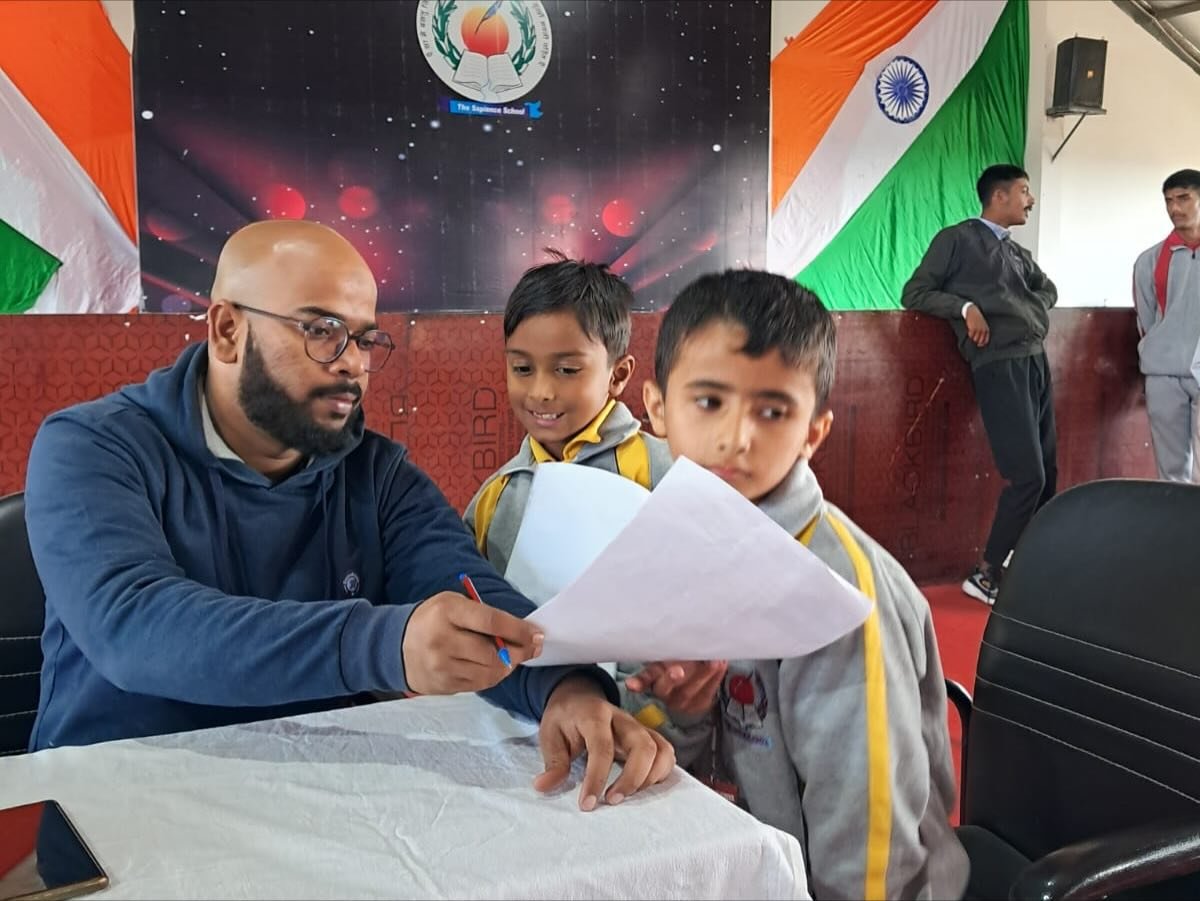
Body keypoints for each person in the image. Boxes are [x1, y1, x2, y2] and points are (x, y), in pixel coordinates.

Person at [23, 220, 674, 811]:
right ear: (227, 329)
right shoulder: (91, 447)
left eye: (363, 338)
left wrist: (567, 688)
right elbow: (134, 626)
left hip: (324, 796)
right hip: (112, 798)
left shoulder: (374, 471)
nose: (354, 366)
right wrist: (381, 643)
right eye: (320, 331)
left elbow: (464, 585)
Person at [631, 270, 968, 900]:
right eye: (708, 402)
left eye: (772, 410)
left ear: (813, 432)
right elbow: (661, 744)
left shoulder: (839, 596)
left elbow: (871, 843)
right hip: (730, 867)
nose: (736, 437)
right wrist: (688, 713)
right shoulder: (666, 549)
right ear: (656, 409)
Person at [901, 164, 1058, 605]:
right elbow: (914, 293)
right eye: (1024, 192)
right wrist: (966, 307)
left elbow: (1048, 290)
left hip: (1035, 362)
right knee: (1027, 474)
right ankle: (987, 573)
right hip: (999, 364)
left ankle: (1031, 569)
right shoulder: (957, 239)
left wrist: (1028, 307)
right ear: (999, 197)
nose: (1030, 200)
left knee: (1048, 477)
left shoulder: (1017, 254)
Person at [463, 250, 673, 575]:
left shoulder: (662, 469)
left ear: (617, 376)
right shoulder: (494, 499)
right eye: (522, 368)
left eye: (567, 369)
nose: (540, 392)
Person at [1134, 169, 1200, 482]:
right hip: (1163, 376)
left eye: (1184, 198)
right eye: (1169, 201)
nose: (1175, 208)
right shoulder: (1149, 260)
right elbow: (1147, 320)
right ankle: (1180, 533)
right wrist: (1160, 352)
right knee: (1171, 474)